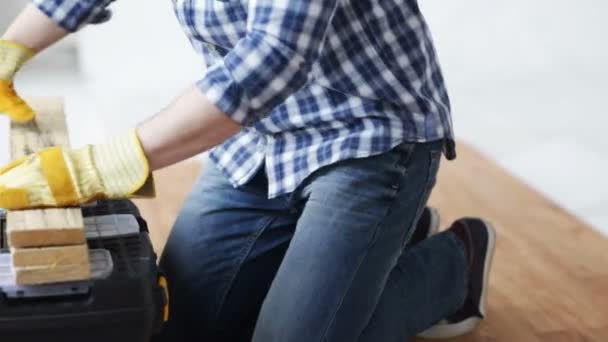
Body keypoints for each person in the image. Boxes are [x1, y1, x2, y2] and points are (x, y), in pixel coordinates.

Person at [0, 1, 497, 341]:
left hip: (366, 133)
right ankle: (387, 241)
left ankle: (455, 264)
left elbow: (273, 58)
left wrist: (104, 165)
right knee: (179, 326)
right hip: (260, 136)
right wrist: (11, 50)